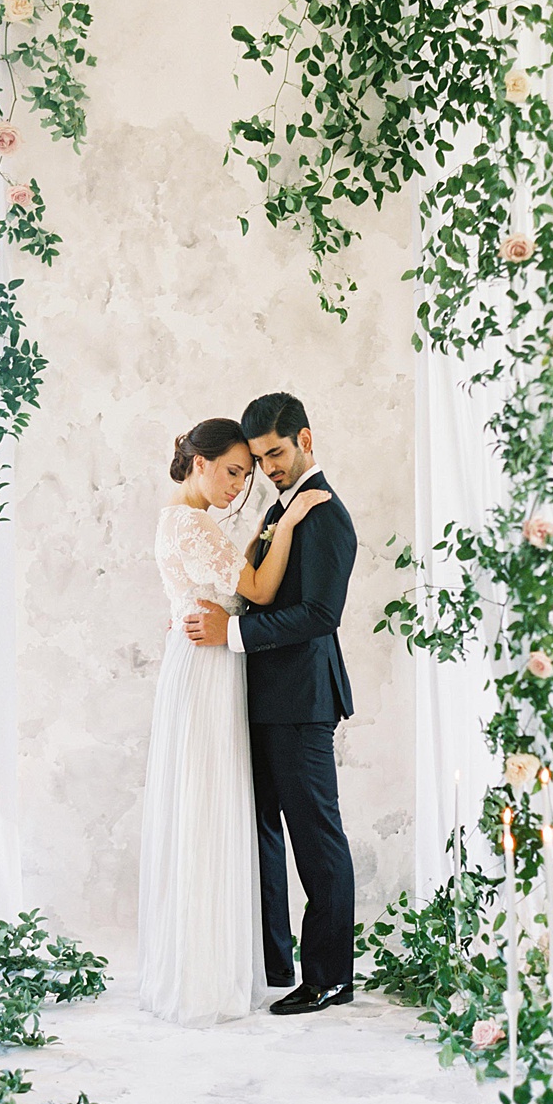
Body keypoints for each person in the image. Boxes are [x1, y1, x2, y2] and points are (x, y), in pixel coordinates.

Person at [138, 417, 330, 1028]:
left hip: (199, 664)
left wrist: (259, 534)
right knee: (208, 807)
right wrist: (290, 522)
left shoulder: (179, 519)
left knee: (209, 806)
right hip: (207, 671)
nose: (238, 485)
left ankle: (203, 961)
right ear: (199, 463)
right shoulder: (192, 523)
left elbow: (224, 576)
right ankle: (205, 972)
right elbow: (258, 590)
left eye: (245, 475)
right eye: (231, 471)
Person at [183, 393, 357, 1016]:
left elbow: (319, 614)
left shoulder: (326, 514)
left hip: (303, 700)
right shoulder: (280, 509)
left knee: (316, 840)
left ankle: (331, 977)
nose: (270, 468)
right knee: (259, 835)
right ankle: (275, 963)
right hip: (256, 698)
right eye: (259, 459)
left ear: (306, 439)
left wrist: (230, 635)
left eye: (276, 453)